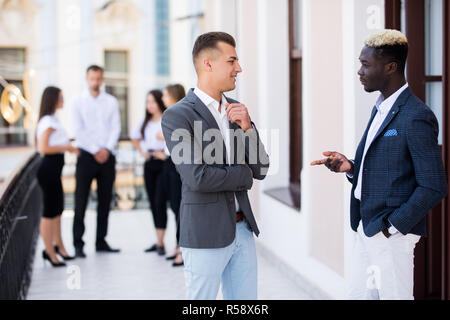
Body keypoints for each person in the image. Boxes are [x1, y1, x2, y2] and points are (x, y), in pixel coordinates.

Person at [311, 29, 448, 299]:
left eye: (365, 64)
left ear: (390, 67)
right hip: (366, 227)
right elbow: (387, 166)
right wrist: (350, 166)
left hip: (389, 235)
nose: (359, 71)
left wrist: (393, 227)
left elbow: (434, 185)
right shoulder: (381, 107)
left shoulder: (416, 116)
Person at [161, 32, 270, 300]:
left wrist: (248, 129)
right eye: (232, 61)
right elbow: (197, 177)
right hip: (203, 233)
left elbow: (262, 168)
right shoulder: (177, 116)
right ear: (208, 64)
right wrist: (243, 174)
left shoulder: (237, 110)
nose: (239, 68)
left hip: (242, 230)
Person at [71, 65, 122, 258]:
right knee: (80, 200)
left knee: (105, 200)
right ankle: (78, 244)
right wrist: (95, 150)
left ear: (102, 79)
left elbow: (116, 127)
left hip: (107, 157)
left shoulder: (111, 101)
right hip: (86, 156)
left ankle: (101, 241)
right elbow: (78, 131)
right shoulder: (77, 101)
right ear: (87, 78)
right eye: (92, 78)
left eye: (99, 78)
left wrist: (106, 149)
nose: (95, 82)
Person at [36, 86, 79, 267]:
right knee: (48, 213)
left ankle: (59, 246)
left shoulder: (53, 119)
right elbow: (43, 148)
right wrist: (67, 147)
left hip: (54, 170)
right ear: (52, 99)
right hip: (48, 169)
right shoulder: (47, 121)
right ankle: (50, 252)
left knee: (57, 210)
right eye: (60, 97)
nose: (63, 100)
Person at [131, 90, 167, 255]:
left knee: (160, 201)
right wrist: (142, 151)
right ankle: (159, 241)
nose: (149, 105)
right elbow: (134, 136)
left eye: (152, 102)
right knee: (153, 202)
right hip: (149, 163)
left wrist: (163, 153)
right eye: (147, 102)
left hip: (164, 162)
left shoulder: (166, 119)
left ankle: (165, 242)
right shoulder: (145, 121)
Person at [161, 84, 186, 267]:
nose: (163, 98)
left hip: (179, 164)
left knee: (180, 208)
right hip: (169, 163)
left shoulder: (179, 114)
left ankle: (183, 249)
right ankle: (179, 246)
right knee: (175, 206)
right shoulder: (171, 113)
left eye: (165, 95)